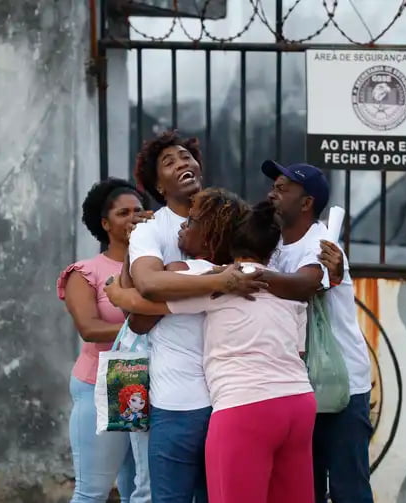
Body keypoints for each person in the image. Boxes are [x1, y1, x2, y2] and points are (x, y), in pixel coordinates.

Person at [106, 201, 317, 503]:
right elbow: (298, 352)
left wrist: (115, 291)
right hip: (299, 403)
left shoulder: (218, 282)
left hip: (244, 407)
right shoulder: (287, 289)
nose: (183, 227)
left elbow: (142, 310)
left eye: (191, 222)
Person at [125, 133, 263, 502]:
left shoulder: (233, 222)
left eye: (186, 157)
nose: (182, 163)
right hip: (178, 398)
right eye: (169, 162)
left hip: (232, 396)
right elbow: (148, 286)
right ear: (157, 184)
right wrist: (221, 279)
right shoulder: (150, 228)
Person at [261, 160, 374, 503]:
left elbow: (307, 284)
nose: (272, 194)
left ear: (306, 202)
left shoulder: (324, 245)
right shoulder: (273, 243)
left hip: (340, 385)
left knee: (347, 489)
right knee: (302, 489)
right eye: (273, 187)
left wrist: (252, 275)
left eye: (282, 189)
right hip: (297, 384)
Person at [56, 178, 152, 503]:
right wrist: (144, 322)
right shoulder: (86, 272)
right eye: (123, 212)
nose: (133, 218)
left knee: (137, 490)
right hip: (103, 381)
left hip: (145, 385)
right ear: (105, 224)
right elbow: (89, 328)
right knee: (92, 491)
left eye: (139, 210)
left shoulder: (154, 267)